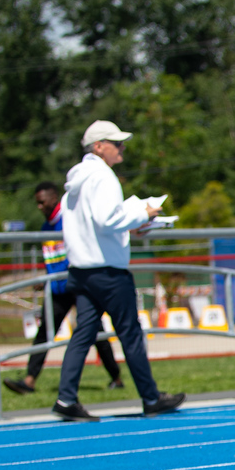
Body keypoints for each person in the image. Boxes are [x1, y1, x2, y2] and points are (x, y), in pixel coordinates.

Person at [52, 120, 185, 421]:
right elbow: (107, 220)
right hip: (108, 273)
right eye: (116, 143)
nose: (122, 148)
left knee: (83, 334)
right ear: (99, 147)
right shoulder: (103, 177)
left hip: (82, 270)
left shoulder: (75, 181)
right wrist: (144, 213)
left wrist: (132, 226)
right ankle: (151, 398)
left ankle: (66, 398)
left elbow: (97, 224)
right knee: (130, 333)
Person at [4, 182, 125, 396]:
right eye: (37, 203)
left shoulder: (69, 220)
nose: (39, 206)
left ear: (53, 198)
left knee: (94, 330)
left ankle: (116, 377)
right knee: (44, 332)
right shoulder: (45, 228)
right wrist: (45, 278)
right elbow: (52, 259)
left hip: (78, 285)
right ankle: (29, 381)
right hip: (58, 289)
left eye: (42, 202)